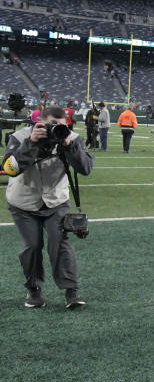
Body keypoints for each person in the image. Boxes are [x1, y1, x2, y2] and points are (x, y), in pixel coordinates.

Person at [3, 106, 94, 308]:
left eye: (62, 126)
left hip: (56, 200)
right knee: (32, 246)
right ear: (39, 123)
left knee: (59, 242)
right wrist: (32, 143)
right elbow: (10, 169)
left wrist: (70, 146)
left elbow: (86, 168)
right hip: (23, 202)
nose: (56, 129)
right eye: (51, 125)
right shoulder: (20, 137)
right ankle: (33, 290)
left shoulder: (72, 138)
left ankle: (72, 291)